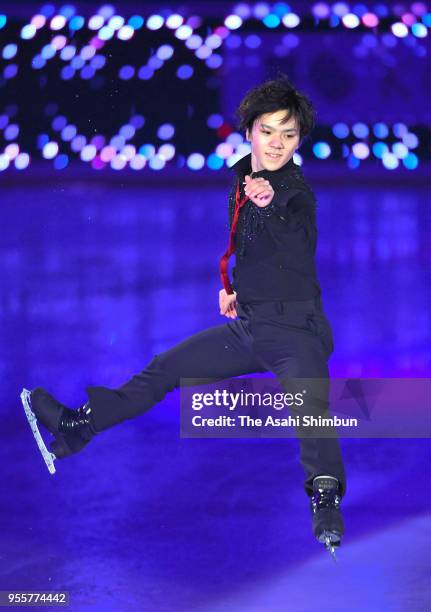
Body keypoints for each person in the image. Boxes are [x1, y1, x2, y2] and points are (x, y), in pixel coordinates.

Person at [23, 76, 346, 557]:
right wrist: (236, 290)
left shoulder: (293, 191)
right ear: (250, 131)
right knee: (166, 368)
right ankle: (77, 428)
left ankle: (325, 498)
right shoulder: (241, 180)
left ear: (299, 140)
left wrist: (273, 203)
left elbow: (295, 229)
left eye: (289, 134)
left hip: (298, 330)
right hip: (252, 325)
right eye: (268, 131)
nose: (278, 143)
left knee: (310, 411)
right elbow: (259, 249)